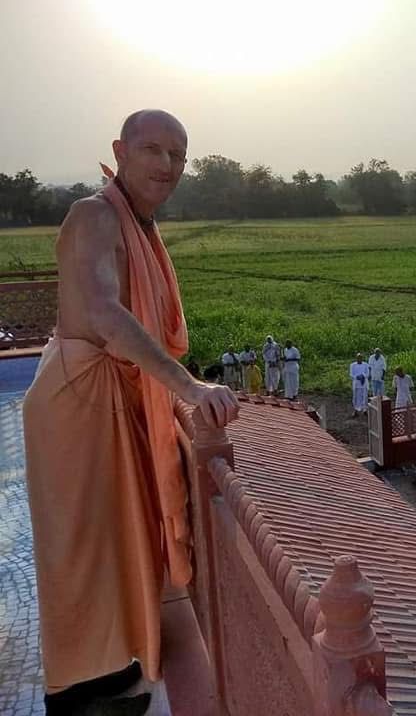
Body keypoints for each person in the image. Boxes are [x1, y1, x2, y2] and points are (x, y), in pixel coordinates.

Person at [22, 110, 238, 716]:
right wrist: (189, 387)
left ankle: (115, 672)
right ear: (120, 151)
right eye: (152, 150)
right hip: (79, 403)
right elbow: (104, 313)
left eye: (178, 155)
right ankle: (79, 691)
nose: (167, 165)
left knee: (121, 540)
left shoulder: (141, 226)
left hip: (114, 397)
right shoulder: (93, 215)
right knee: (82, 549)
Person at [350, 353, 369, 417]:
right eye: (358, 358)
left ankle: (365, 410)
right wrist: (357, 377)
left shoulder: (366, 365)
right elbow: (351, 374)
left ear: (362, 358)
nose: (359, 359)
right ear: (356, 358)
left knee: (364, 396)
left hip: (364, 383)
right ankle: (355, 410)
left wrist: (363, 376)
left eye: (360, 358)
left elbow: (367, 373)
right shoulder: (352, 365)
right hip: (356, 383)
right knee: (356, 397)